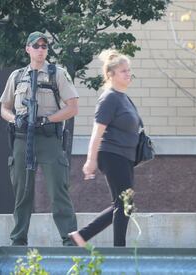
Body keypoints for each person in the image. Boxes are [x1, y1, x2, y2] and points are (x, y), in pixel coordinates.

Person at [0, 31, 78, 246]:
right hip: (22, 138)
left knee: (58, 191)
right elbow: (4, 108)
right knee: (22, 192)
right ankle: (18, 240)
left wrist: (47, 119)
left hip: (48, 139)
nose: (41, 50)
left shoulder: (57, 74)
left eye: (44, 46)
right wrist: (14, 120)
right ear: (28, 49)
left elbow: (72, 108)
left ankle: (71, 240)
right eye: (36, 46)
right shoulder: (17, 76)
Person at [68, 49, 140, 247]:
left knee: (124, 204)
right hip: (111, 155)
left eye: (129, 70)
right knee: (125, 203)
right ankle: (119, 250)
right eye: (123, 71)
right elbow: (97, 131)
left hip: (125, 156)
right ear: (111, 75)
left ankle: (81, 237)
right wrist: (90, 160)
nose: (128, 74)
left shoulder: (124, 98)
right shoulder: (109, 98)